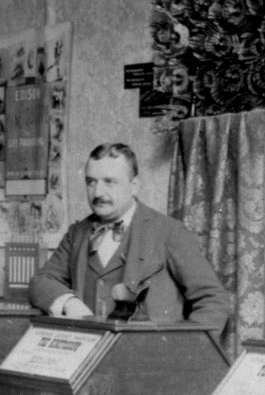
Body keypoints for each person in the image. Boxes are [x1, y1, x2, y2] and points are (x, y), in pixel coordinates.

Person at [29, 142, 230, 334]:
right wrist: (69, 303)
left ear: (134, 185)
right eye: (91, 182)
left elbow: (213, 299)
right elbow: (42, 281)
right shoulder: (78, 233)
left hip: (148, 362)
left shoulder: (169, 231)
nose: (98, 192)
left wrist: (182, 351)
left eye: (110, 182)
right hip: (88, 357)